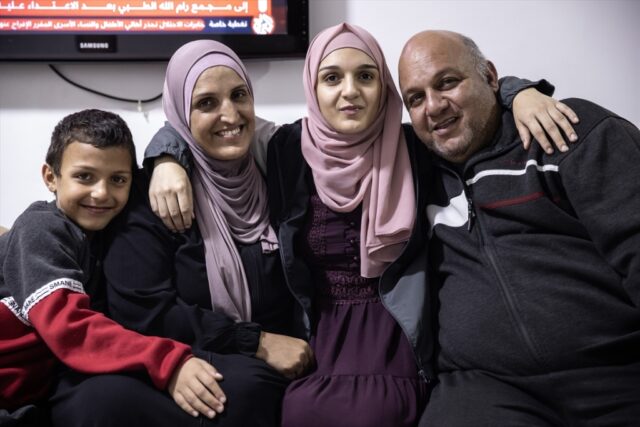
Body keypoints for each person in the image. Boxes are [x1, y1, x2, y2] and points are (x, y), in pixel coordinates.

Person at [144, 24, 581, 426]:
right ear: (313, 87)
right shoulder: (284, 148)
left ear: (384, 87)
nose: (349, 91)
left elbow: (468, 110)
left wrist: (519, 92)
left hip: (398, 336)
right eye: (332, 78)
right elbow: (205, 124)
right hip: (318, 338)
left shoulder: (415, 147)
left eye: (366, 76)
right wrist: (165, 158)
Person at [397, 30, 640, 426]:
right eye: (415, 98)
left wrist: (519, 91)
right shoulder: (409, 170)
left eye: (448, 82)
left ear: (491, 77)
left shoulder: (567, 131)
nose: (434, 107)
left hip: (614, 371)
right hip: (487, 388)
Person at [101, 40, 313, 427]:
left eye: (239, 95)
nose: (230, 114)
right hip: (187, 354)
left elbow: (332, 139)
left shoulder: (279, 171)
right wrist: (256, 342)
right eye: (206, 103)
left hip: (279, 359)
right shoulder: (155, 194)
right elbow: (144, 311)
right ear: (181, 114)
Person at [0, 109, 226, 427]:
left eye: (118, 180)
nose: (101, 193)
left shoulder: (106, 237)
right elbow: (71, 329)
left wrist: (167, 161)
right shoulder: (41, 228)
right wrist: (168, 360)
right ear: (51, 177)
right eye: (84, 177)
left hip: (31, 395)